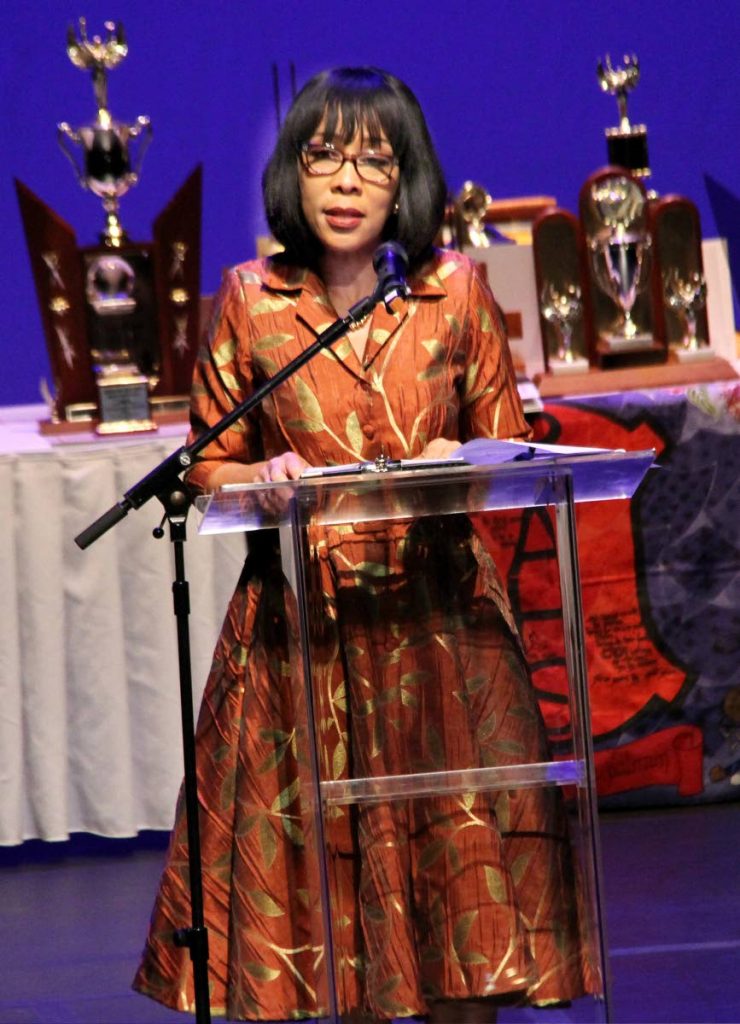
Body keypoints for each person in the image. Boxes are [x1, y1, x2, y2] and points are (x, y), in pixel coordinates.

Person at [133, 67, 591, 1022]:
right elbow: (206, 460)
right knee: (313, 906)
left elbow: (507, 447)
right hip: (302, 634)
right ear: (293, 177)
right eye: (324, 158)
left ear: (405, 179)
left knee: (465, 892)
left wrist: (452, 454)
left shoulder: (453, 291)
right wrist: (261, 477)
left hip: (442, 632)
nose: (346, 182)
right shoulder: (251, 298)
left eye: (372, 161)